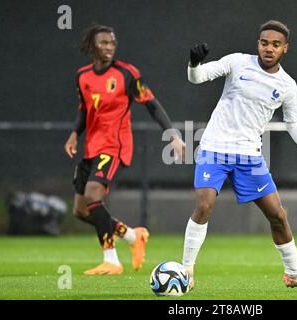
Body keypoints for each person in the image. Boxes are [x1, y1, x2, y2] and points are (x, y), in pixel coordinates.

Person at [182, 20, 297, 292]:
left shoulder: (287, 85)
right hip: (214, 147)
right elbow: (198, 77)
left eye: (275, 44)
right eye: (264, 42)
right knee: (204, 206)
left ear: (286, 48)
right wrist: (193, 63)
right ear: (257, 43)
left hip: (249, 155)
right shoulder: (237, 62)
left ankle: (294, 274)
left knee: (278, 215)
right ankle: (186, 271)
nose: (268, 48)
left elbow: (293, 122)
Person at [64, 25, 185, 275]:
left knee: (93, 196)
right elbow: (85, 110)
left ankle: (112, 260)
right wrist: (75, 133)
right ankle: (132, 236)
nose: (109, 47)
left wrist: (172, 133)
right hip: (91, 147)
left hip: (115, 145)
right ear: (91, 46)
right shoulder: (83, 76)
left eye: (112, 43)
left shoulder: (126, 74)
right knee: (81, 210)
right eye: (103, 43)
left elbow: (151, 104)